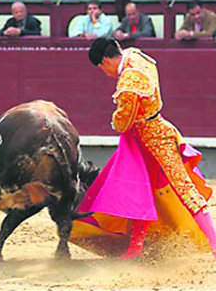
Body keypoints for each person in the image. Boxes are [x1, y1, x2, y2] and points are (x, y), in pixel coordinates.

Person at [69, 37, 216, 260]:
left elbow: (122, 122)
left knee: (185, 189)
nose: (105, 73)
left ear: (105, 61)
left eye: (102, 68)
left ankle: (215, 246)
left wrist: (115, 119)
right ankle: (135, 248)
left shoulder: (129, 80)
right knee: (141, 190)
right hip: (147, 139)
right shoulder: (136, 57)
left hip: (156, 140)